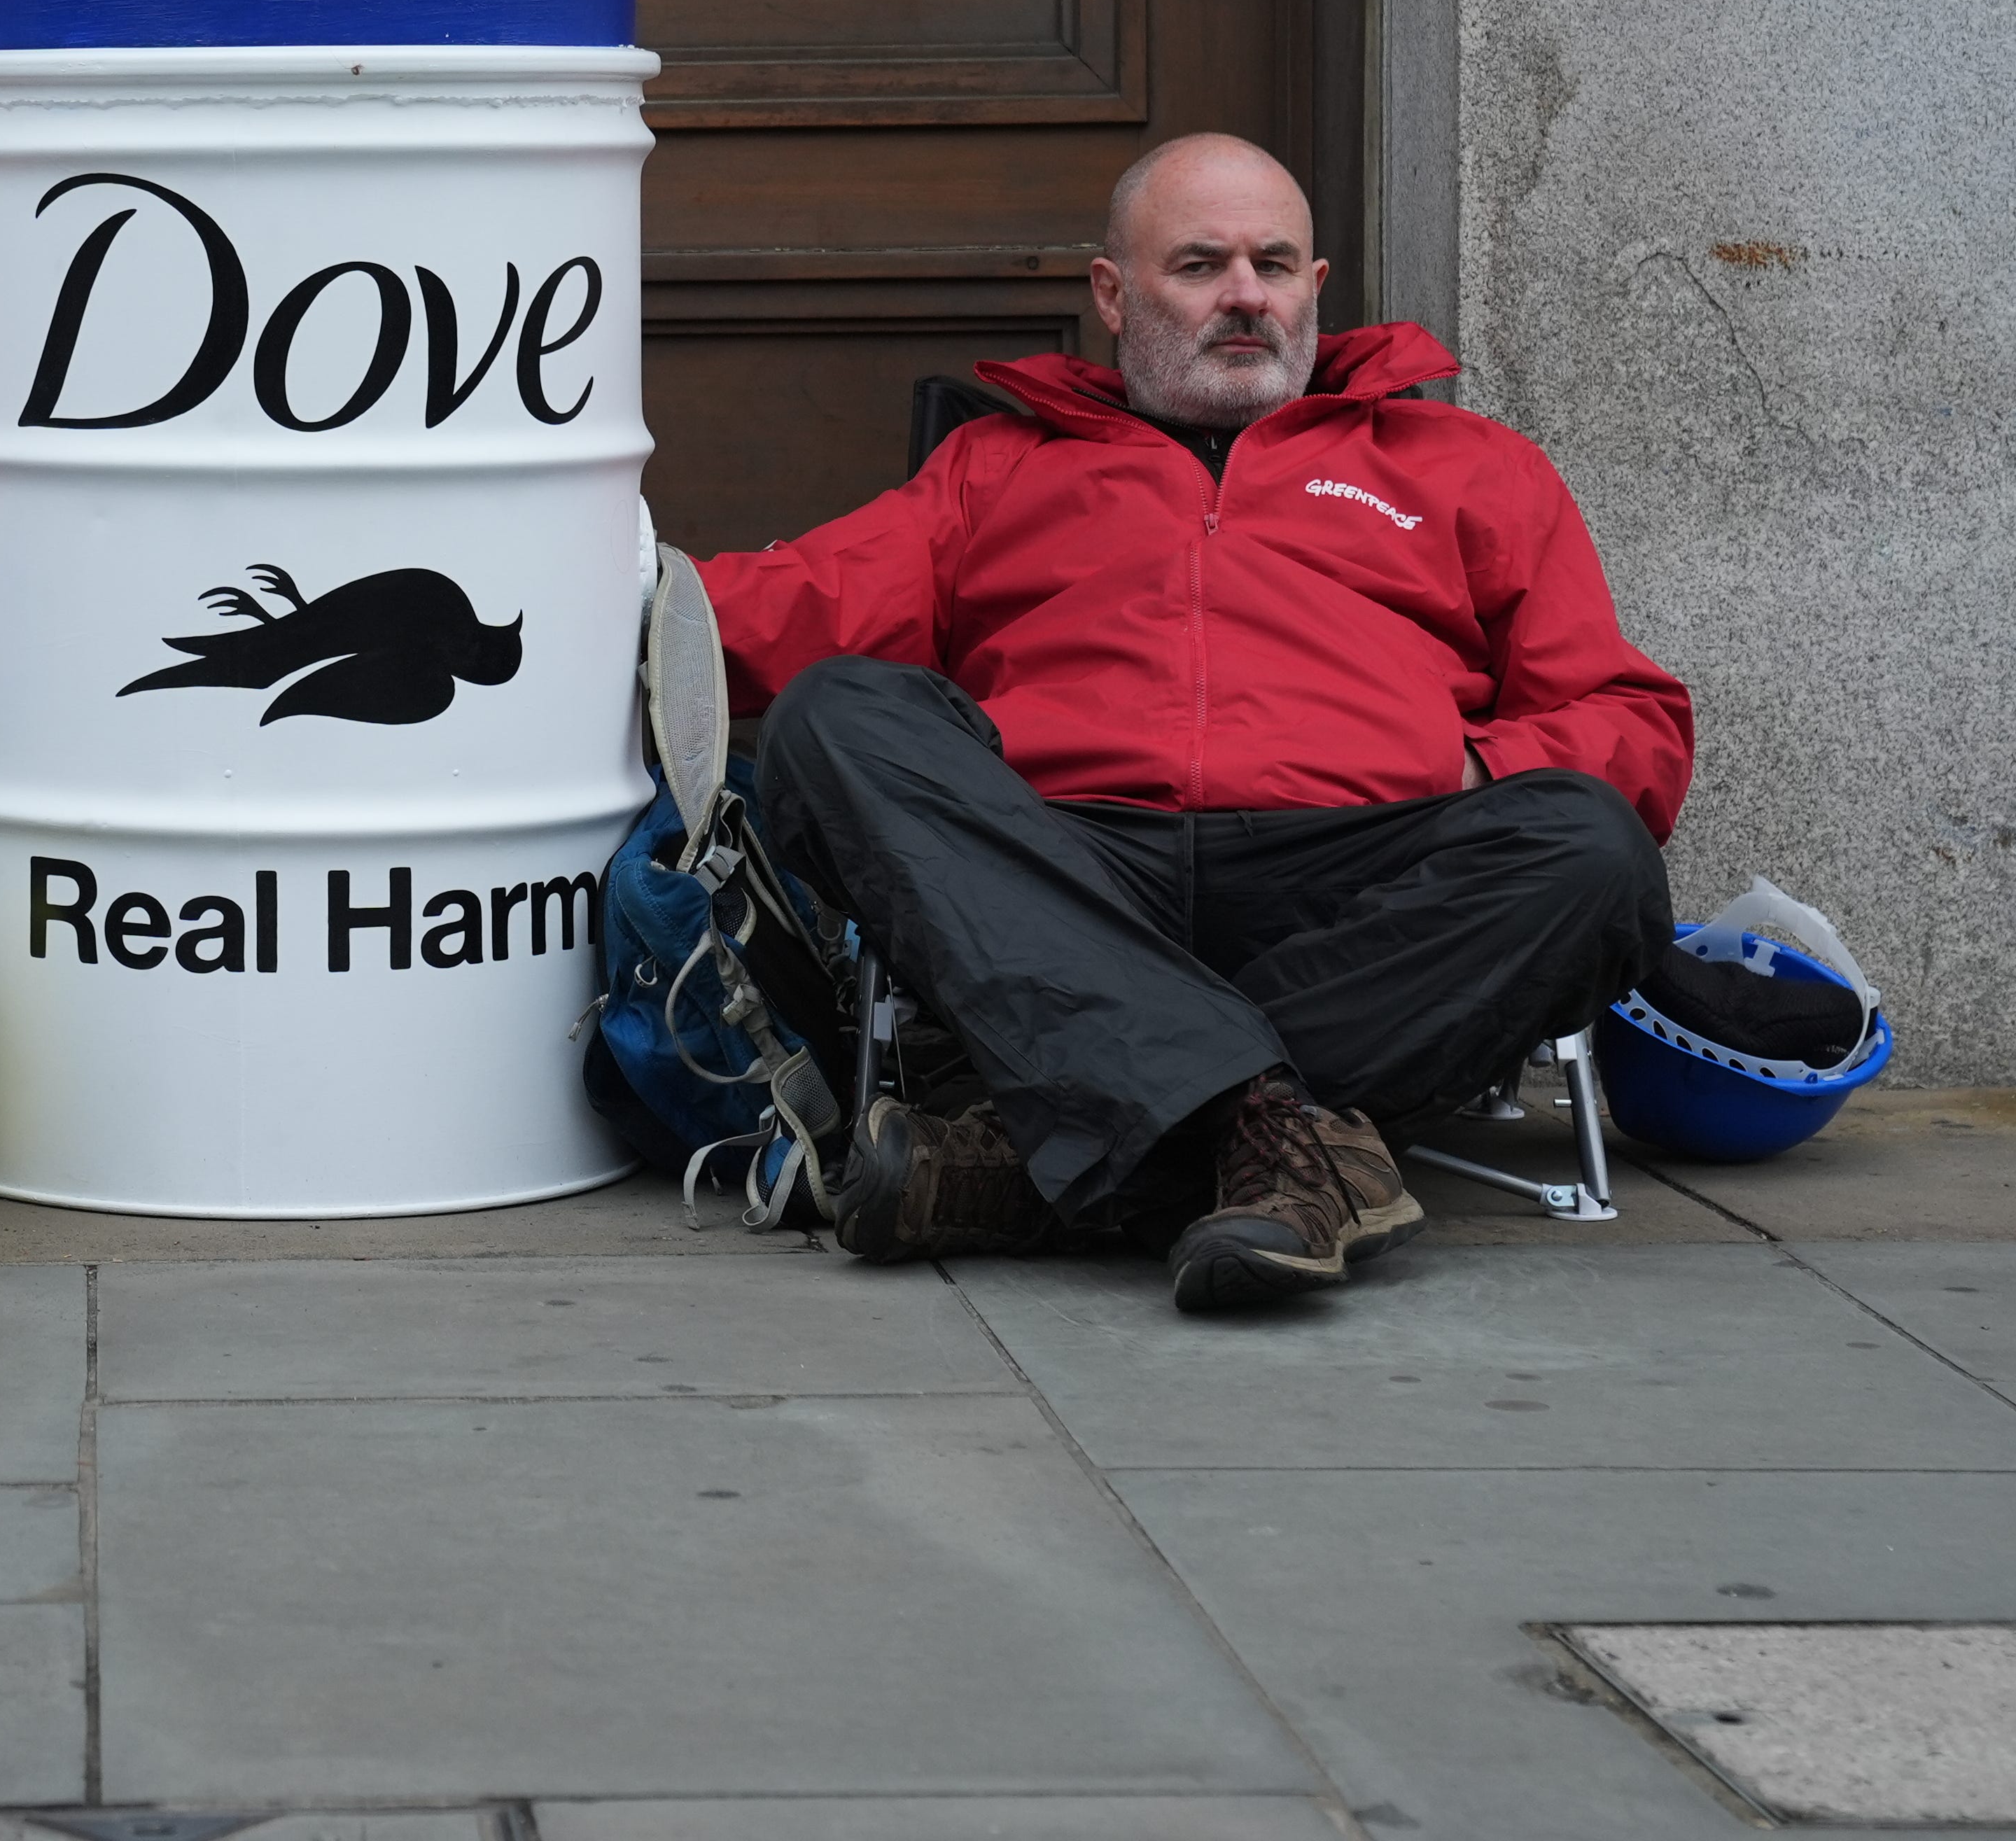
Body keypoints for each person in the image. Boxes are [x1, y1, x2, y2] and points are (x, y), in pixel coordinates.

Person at [696, 134, 1689, 1313]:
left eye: (1274, 265)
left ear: (1316, 290)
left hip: (1368, 872)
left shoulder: (1465, 467)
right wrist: (553, 575)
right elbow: (772, 618)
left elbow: (1630, 717)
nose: (1244, 297)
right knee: (837, 718)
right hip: (1064, 878)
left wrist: (1472, 765)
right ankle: (1266, 1139)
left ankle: (1041, 1170)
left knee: (1590, 852)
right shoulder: (997, 468)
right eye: (1201, 264)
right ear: (1113, 294)